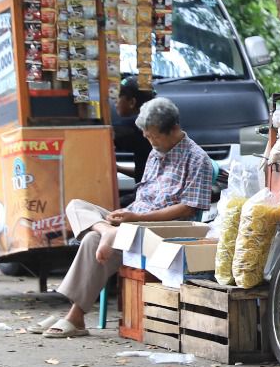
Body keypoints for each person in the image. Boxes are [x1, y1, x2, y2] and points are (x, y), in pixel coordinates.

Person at [42, 97, 215, 339]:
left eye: (153, 135)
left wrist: (138, 217)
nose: (149, 140)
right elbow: (143, 192)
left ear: (173, 129)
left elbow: (187, 209)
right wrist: (123, 217)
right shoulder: (156, 152)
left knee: (92, 241)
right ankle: (106, 230)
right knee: (76, 206)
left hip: (158, 231)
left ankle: (75, 316)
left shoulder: (198, 160)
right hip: (132, 219)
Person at [112, 76, 156, 184]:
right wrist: (118, 168)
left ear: (132, 102)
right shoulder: (155, 120)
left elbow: (103, 138)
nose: (115, 102)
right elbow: (143, 173)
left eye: (118, 97)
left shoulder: (133, 126)